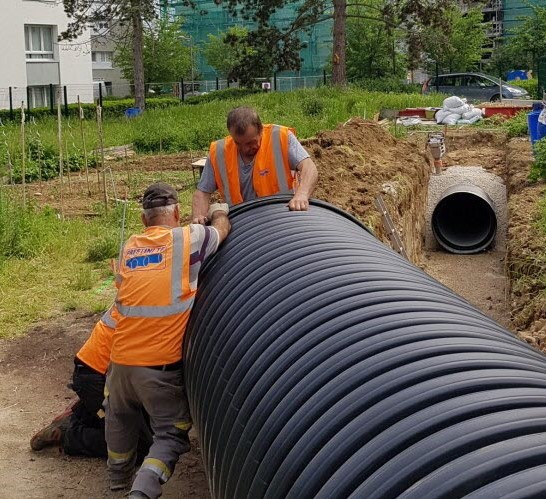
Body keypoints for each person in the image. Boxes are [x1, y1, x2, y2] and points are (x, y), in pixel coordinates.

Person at [104, 182, 231, 499]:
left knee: (120, 418)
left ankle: (117, 482)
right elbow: (222, 229)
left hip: (119, 360)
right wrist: (217, 210)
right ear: (176, 213)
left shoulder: (130, 247)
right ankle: (142, 491)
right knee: (171, 435)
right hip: (157, 367)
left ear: (144, 221)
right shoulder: (188, 237)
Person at [29, 309, 152, 460]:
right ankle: (69, 435)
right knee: (139, 445)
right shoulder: (163, 298)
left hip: (104, 374)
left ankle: (83, 413)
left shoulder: (139, 290)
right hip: (97, 379)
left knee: (148, 425)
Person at [192, 106, 318, 223]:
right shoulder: (219, 152)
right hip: (240, 222)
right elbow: (202, 192)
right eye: (238, 143)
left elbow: (309, 167)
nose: (244, 149)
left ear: (261, 130)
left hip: (281, 217)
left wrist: (301, 194)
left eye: (250, 143)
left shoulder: (280, 138)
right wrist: (198, 217)